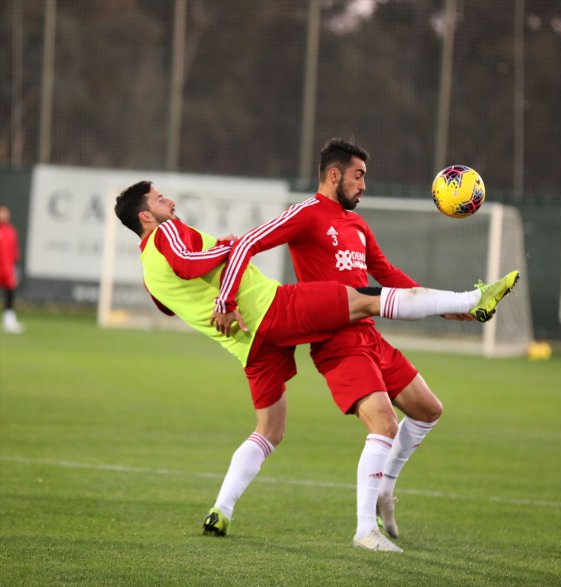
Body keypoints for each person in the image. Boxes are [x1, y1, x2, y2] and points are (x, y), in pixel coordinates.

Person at [115, 180, 516, 549]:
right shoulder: (168, 232)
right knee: (363, 300)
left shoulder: (149, 274)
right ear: (146, 216)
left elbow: (170, 305)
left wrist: (219, 296)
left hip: (248, 347)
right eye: (158, 198)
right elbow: (189, 262)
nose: (170, 200)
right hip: (270, 308)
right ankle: (469, 300)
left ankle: (221, 509)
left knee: (269, 432)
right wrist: (228, 247)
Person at [212, 138, 520, 552]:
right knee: (384, 424)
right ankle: (364, 531)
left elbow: (386, 273)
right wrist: (226, 300)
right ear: (334, 175)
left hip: (369, 335)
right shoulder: (306, 213)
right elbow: (248, 243)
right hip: (336, 341)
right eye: (358, 176)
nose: (363, 185)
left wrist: (443, 311)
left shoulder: (357, 225)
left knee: (429, 410)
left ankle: (385, 487)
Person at [0, 205, 24, 334]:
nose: (3, 215)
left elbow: (14, 251)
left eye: (5, 213)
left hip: (7, 269)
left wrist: (15, 267)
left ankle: (9, 321)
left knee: (9, 294)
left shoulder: (11, 231)